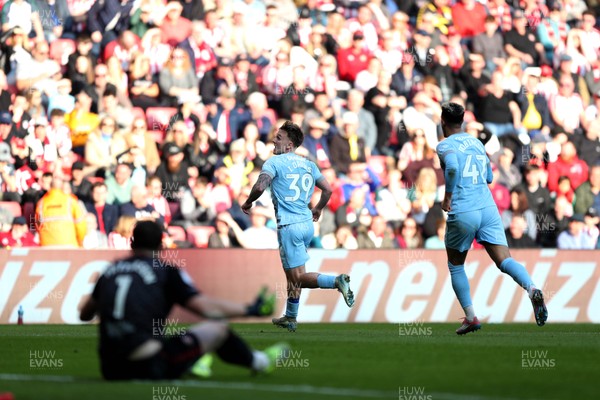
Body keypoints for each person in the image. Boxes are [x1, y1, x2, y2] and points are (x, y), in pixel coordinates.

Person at [80, 220, 285, 380]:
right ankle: (260, 362)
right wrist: (249, 309)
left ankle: (195, 360)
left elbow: (84, 314)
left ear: (132, 244)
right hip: (147, 364)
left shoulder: (111, 270)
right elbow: (206, 309)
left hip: (110, 368)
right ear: (161, 245)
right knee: (217, 328)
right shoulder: (165, 271)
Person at [436, 102, 547, 335]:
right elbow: (488, 175)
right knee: (504, 260)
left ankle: (471, 317)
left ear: (443, 121)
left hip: (464, 209)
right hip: (488, 207)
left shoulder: (444, 145)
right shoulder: (476, 143)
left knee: (456, 265)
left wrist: (447, 198)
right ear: (463, 122)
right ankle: (532, 288)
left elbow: (453, 168)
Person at [241, 121, 355, 332]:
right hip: (307, 224)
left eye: (279, 137)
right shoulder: (309, 164)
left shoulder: (273, 163)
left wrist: (248, 202)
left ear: (289, 144)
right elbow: (328, 190)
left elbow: (259, 186)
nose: (274, 140)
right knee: (293, 275)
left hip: (289, 226)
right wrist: (319, 209)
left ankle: (336, 281)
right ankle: (291, 317)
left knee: (297, 277)